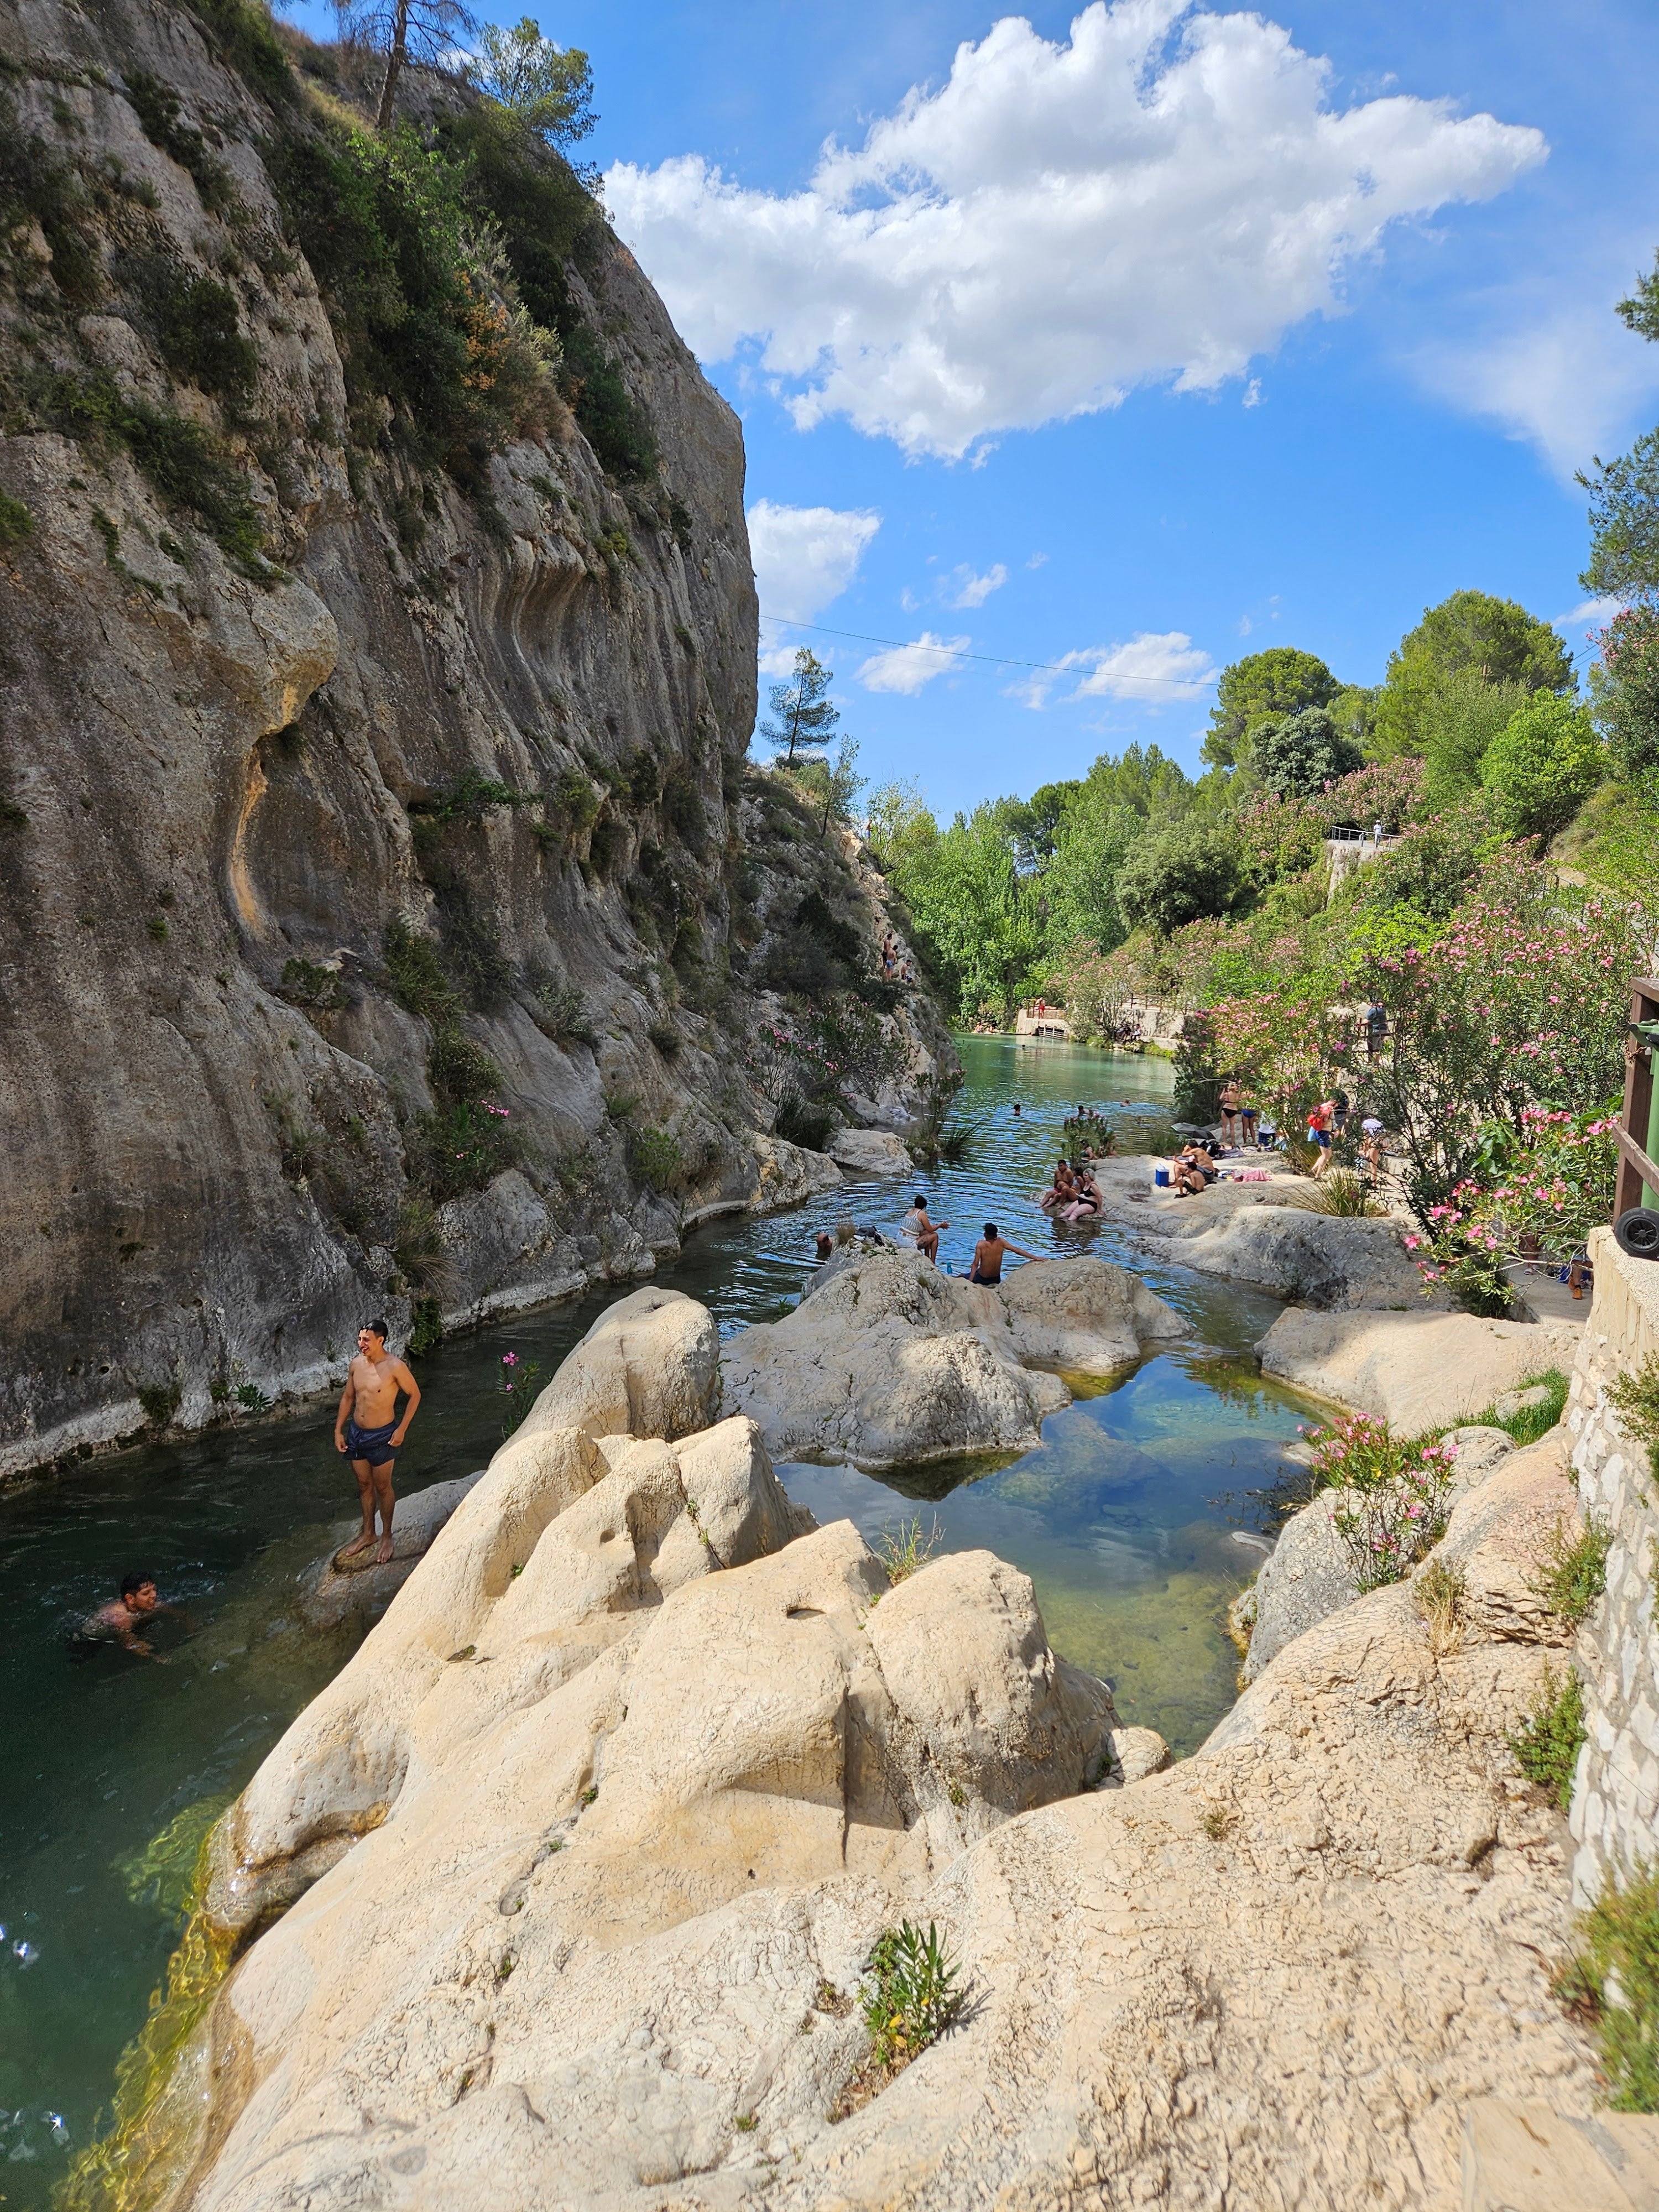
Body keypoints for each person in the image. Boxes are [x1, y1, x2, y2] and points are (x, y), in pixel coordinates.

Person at [335, 1320, 421, 1564]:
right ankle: (368, 1534)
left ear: (380, 1340)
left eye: (366, 1340)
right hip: (356, 1434)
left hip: (383, 1435)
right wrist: (338, 1431)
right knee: (364, 1485)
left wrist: (402, 1429)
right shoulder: (356, 1365)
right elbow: (348, 1397)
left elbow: (415, 1395)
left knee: (383, 1487)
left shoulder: (395, 1367)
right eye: (360, 1339)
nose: (361, 1344)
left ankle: (387, 1536)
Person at [90, 1571, 178, 1657]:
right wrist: (160, 1658)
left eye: (154, 1589)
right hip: (90, 1641)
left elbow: (181, 1614)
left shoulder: (150, 1604)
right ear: (130, 1599)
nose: (154, 1595)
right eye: (146, 1593)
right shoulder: (121, 1618)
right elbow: (131, 1645)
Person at [969, 1222, 1042, 1285]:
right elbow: (1018, 1251)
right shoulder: (1001, 1241)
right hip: (996, 1279)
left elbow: (975, 1264)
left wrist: (970, 1282)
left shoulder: (981, 1244)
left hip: (983, 1280)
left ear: (986, 1235)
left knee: (962, 1275)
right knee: (979, 1270)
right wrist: (1036, 1258)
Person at [901, 1193, 948, 1264]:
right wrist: (940, 1225)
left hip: (900, 1240)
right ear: (924, 1206)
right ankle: (932, 1262)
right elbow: (931, 1229)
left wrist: (936, 1226)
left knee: (927, 1234)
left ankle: (927, 1258)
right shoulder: (921, 1213)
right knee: (935, 1236)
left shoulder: (910, 1212)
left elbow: (925, 1229)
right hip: (909, 1244)